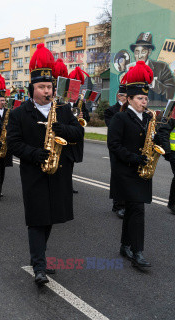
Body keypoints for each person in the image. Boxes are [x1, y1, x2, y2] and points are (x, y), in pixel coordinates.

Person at [6, 44, 84, 285]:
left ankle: (39, 257)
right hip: (34, 172)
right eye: (41, 87)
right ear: (32, 89)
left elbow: (78, 132)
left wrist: (64, 129)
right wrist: (34, 154)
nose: (47, 91)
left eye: (49, 87)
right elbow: (13, 142)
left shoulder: (61, 109)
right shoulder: (20, 113)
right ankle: (38, 265)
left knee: (51, 217)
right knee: (37, 218)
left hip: (59, 171)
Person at [108, 60, 157, 269]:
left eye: (145, 98)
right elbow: (114, 145)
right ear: (128, 99)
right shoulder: (121, 118)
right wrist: (134, 158)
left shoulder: (148, 118)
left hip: (141, 173)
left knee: (131, 210)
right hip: (126, 172)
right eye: (139, 98)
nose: (143, 102)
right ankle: (137, 252)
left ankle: (125, 245)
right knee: (137, 210)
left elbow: (153, 140)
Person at [127, 32, 175, 103]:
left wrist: (153, 83)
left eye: (143, 52)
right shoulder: (129, 69)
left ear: (149, 52)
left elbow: (170, 93)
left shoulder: (161, 67)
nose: (139, 56)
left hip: (156, 110)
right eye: (137, 52)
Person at [104, 84, 128, 218]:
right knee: (118, 174)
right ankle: (119, 205)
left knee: (127, 175)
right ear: (120, 96)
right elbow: (113, 126)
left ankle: (122, 203)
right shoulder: (110, 110)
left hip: (129, 146)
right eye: (127, 96)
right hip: (116, 146)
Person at [67, 67, 91, 194]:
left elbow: (88, 118)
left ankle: (68, 184)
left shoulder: (80, 101)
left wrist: (83, 116)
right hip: (65, 135)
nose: (76, 90)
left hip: (75, 136)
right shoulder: (62, 101)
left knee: (71, 162)